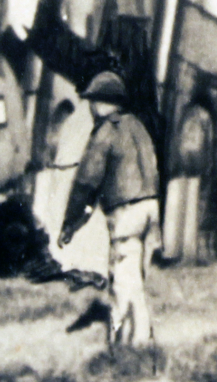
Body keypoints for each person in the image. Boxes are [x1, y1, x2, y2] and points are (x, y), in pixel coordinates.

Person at [58, 70, 160, 347]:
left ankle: (130, 344)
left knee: (124, 283)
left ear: (103, 103)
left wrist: (69, 221)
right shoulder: (138, 126)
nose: (91, 108)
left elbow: (85, 183)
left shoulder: (105, 132)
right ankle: (131, 340)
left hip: (127, 213)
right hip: (151, 208)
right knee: (135, 278)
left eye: (92, 101)